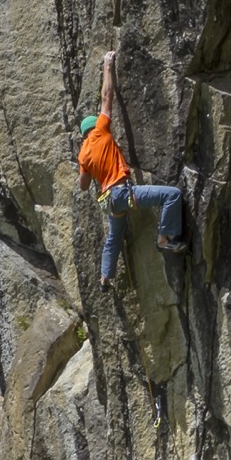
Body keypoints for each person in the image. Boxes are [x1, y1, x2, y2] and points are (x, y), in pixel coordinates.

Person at [78, 51, 185, 286]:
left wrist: (92, 170)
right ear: (94, 126)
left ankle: (105, 276)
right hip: (122, 194)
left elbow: (84, 186)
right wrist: (108, 66)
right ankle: (164, 238)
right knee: (172, 195)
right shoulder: (101, 131)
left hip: (109, 200)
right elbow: (107, 96)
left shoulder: (83, 154)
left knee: (114, 237)